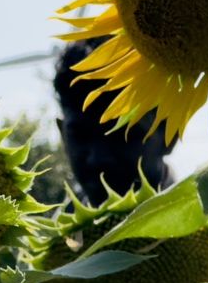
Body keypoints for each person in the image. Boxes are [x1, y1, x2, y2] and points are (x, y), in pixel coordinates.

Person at [53, 37, 175, 206]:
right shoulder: (43, 232)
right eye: (80, 136)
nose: (98, 158)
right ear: (63, 136)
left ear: (171, 135)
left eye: (122, 134)